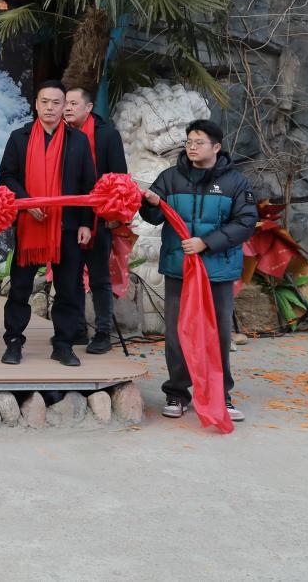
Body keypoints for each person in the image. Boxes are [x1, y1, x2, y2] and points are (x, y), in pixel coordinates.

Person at [140, 119, 256, 422]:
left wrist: (206, 243)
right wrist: (149, 203)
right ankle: (177, 393)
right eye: (189, 141)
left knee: (218, 334)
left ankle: (220, 394)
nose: (192, 147)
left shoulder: (235, 183)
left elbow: (245, 223)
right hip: (179, 269)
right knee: (177, 333)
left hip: (217, 270)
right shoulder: (170, 178)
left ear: (216, 147)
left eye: (199, 142)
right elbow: (153, 217)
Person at [0, 81, 95, 366]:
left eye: (56, 102)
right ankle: (13, 342)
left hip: (67, 225)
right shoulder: (19, 137)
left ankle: (63, 345)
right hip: (30, 225)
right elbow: (6, 176)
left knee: (67, 289)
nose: (50, 107)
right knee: (20, 288)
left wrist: (86, 223)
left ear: (64, 106)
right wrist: (27, 202)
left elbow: (88, 185)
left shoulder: (77, 140)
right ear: (36, 105)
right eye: (45, 102)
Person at [64, 85, 129, 354]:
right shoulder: (61, 134)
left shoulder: (107, 135)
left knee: (100, 278)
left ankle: (103, 332)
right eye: (65, 103)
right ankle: (77, 329)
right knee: (71, 276)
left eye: (73, 103)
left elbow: (120, 178)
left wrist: (114, 217)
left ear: (89, 107)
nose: (67, 108)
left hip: (99, 218)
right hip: (69, 217)